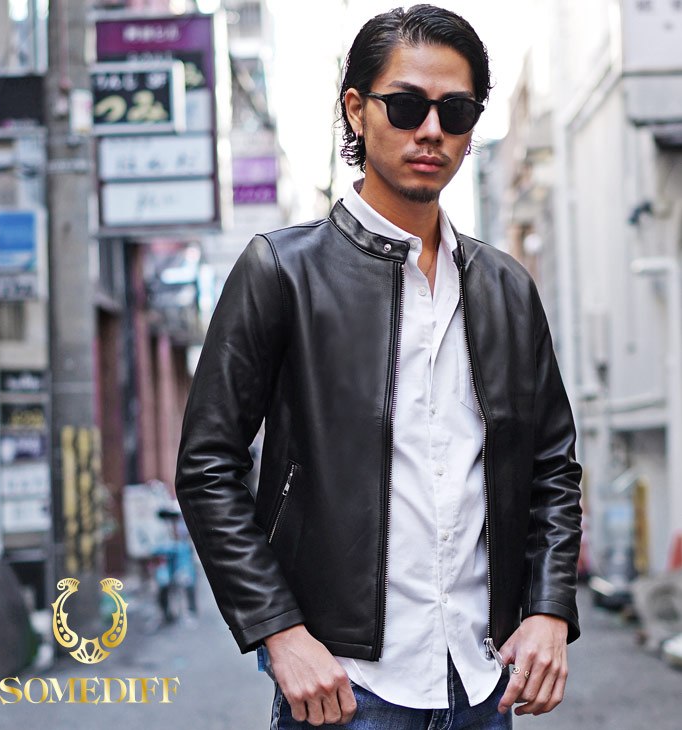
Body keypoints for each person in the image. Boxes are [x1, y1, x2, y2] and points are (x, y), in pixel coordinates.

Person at [175, 5, 583, 729]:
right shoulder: (282, 271)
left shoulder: (505, 288)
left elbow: (552, 465)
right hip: (345, 687)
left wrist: (549, 608)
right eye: (406, 105)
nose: (431, 130)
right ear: (357, 111)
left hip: (481, 682)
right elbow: (207, 468)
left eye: (455, 111)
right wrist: (279, 632)